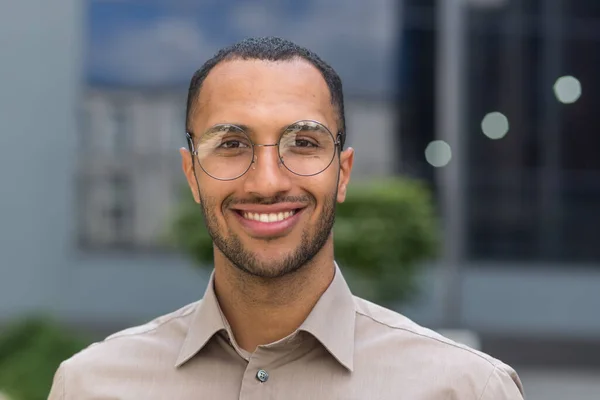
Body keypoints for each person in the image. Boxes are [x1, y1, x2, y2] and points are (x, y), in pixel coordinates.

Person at [48, 36, 525, 399]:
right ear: (192, 175)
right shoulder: (91, 384)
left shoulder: (466, 389)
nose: (268, 181)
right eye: (232, 144)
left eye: (304, 142)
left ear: (343, 173)